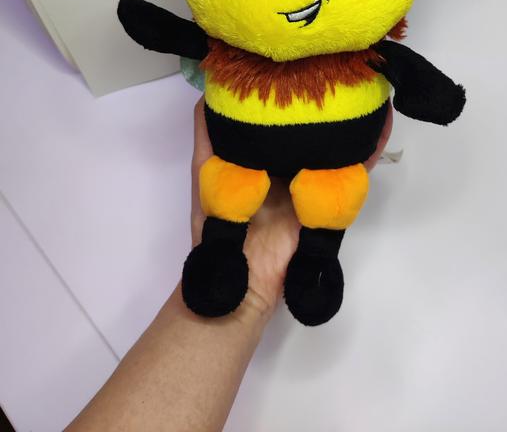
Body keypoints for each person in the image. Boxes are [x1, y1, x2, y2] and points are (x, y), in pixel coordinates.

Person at [67, 98, 392, 432]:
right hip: (263, 148)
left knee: (315, 194)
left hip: (281, 142)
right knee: (262, 189)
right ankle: (249, 249)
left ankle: (307, 253)